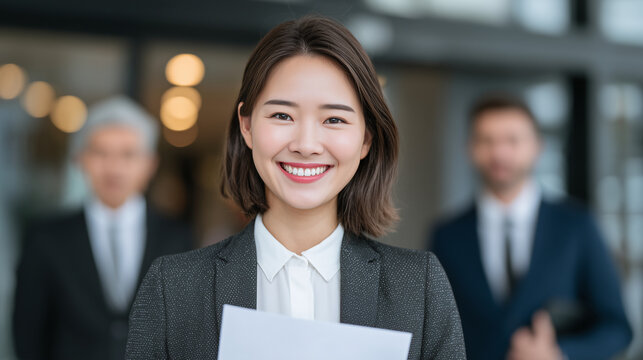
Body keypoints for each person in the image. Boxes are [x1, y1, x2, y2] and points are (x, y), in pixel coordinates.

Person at [126, 16, 465, 359]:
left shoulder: (419, 288)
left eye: (334, 119)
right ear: (247, 126)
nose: (306, 144)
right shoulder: (174, 288)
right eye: (282, 116)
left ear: (366, 138)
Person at [430, 95, 632, 360]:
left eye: (512, 140)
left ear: (538, 146)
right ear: (470, 148)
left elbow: (617, 327)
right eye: (487, 140)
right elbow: (434, 331)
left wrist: (560, 355)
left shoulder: (577, 226)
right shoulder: (446, 236)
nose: (499, 153)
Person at [13, 96, 194, 360]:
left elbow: (186, 333)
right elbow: (28, 334)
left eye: (128, 154)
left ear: (150, 164)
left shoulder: (178, 238)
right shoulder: (45, 238)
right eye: (100, 153)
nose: (114, 168)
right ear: (80, 159)